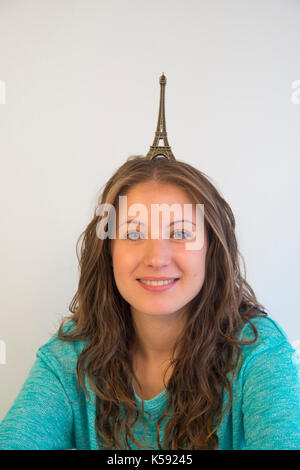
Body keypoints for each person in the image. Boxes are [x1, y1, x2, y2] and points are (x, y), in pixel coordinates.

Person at [0, 155, 300, 450]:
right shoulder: (69, 358)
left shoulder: (259, 353)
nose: (156, 258)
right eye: (133, 233)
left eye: (181, 233)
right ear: (108, 252)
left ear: (211, 251)